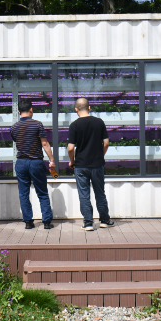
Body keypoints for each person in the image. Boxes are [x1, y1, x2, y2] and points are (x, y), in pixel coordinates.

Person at [67, 97, 114, 231]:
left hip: (81, 165)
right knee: (100, 193)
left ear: (76, 109)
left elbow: (70, 148)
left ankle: (88, 222)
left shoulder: (74, 125)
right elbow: (106, 143)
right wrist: (100, 155)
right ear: (89, 107)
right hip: (97, 164)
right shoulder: (99, 122)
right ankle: (105, 220)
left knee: (84, 194)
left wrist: (72, 161)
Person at [10, 99, 56, 230]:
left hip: (21, 162)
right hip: (36, 162)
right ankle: (46, 222)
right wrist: (51, 160)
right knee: (42, 192)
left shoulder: (14, 127)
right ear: (31, 110)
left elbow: (17, 141)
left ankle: (28, 222)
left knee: (23, 193)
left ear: (19, 112)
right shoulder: (38, 125)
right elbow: (45, 144)